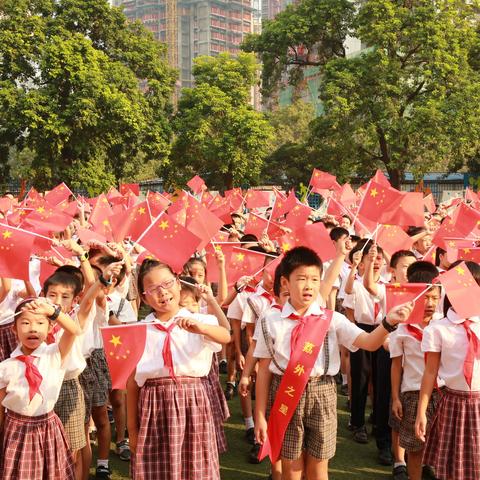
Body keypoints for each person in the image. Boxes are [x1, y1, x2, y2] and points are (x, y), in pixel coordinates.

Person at [254, 246, 413, 480]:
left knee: (319, 466)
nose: (308, 285)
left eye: (314, 279)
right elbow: (264, 370)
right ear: (285, 283)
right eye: (301, 279)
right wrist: (259, 415)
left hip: (323, 392)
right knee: (291, 467)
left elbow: (368, 342)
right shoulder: (270, 320)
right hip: (285, 391)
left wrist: (388, 322)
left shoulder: (331, 319)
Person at [126, 259, 230, 480]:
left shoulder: (200, 319)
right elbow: (132, 383)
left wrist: (200, 328)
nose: (162, 292)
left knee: (195, 468)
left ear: (179, 284)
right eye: (153, 289)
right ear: (144, 297)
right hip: (153, 408)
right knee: (156, 470)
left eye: (167, 283)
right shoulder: (139, 330)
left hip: (193, 404)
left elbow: (226, 335)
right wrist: (132, 430)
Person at [0, 297, 81, 479]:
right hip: (16, 431)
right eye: (26, 323)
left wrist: (52, 311)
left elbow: (74, 330)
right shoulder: (5, 367)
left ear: (50, 327)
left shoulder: (54, 354)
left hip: (47, 428)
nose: (33, 328)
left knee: (50, 473)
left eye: (40, 322)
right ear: (14, 329)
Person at [416, 261, 480, 480]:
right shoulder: (438, 328)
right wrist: (421, 412)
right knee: (452, 467)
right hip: (453, 404)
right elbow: (430, 372)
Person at [389, 263, 443, 480]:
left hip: (441, 393)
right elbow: (395, 365)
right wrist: (395, 397)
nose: (429, 303)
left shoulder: (443, 326)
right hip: (412, 393)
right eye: (425, 297)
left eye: (434, 297)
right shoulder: (401, 328)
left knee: (440, 446)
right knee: (415, 448)